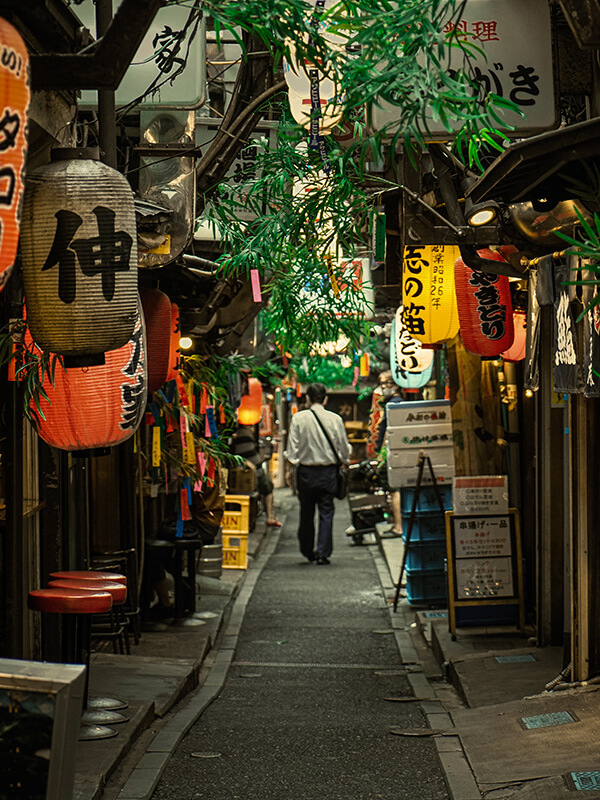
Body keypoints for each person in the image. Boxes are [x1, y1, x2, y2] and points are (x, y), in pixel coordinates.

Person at [284, 382, 352, 564]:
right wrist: (345, 458)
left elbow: (292, 451)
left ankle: (307, 551)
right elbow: (344, 449)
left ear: (307, 399)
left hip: (306, 472)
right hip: (328, 472)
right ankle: (323, 553)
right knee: (326, 511)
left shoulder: (298, 418)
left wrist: (290, 470)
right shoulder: (335, 419)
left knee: (306, 512)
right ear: (326, 399)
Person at [230, 423, 281, 526]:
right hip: (253, 468)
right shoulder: (245, 433)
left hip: (248, 467)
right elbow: (249, 453)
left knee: (266, 488)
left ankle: (269, 515)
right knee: (268, 488)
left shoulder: (238, 433)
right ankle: (270, 516)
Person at [374, 371, 403, 536]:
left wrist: (382, 455)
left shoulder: (395, 404)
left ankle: (398, 526)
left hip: (392, 454)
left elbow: (388, 433)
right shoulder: (391, 403)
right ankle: (397, 523)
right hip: (391, 453)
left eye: (388, 383)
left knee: (395, 490)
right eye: (382, 383)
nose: (384, 387)